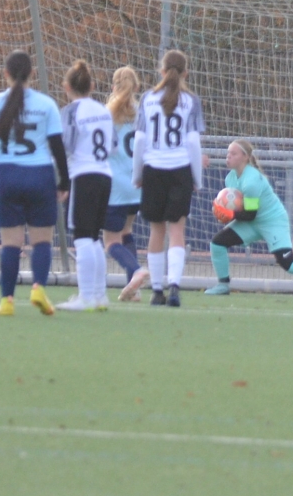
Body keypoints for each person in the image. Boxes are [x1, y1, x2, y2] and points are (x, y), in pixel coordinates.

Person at [0, 50, 67, 317]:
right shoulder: (46, 104)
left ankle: (7, 301)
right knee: (42, 241)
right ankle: (38, 288)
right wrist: (64, 181)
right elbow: (57, 147)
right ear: (32, 74)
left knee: (11, 243)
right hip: (40, 175)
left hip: (7, 175)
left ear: (6, 74)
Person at [206, 139, 293, 299]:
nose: (228, 156)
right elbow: (240, 209)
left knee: (288, 263)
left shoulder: (252, 181)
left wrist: (230, 215)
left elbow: (250, 214)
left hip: (272, 221)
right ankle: (223, 285)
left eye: (234, 153)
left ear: (245, 157)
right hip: (252, 222)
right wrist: (221, 210)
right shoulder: (230, 179)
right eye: (228, 153)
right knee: (217, 243)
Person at [133, 49, 203, 308]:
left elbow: (139, 141)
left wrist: (137, 174)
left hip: (153, 169)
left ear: (161, 71)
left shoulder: (147, 98)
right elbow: (193, 143)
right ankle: (174, 286)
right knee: (177, 230)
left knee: (156, 230)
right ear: (186, 73)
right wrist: (197, 178)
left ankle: (156, 290)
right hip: (180, 169)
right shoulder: (191, 101)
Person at [58, 60, 117, 311]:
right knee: (94, 238)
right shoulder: (103, 110)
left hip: (83, 175)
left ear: (67, 87)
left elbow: (64, 146)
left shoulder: (70, 112)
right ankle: (99, 296)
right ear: (92, 86)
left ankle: (85, 297)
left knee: (82, 238)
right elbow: (112, 145)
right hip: (104, 175)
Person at [105, 67, 148, 301]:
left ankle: (136, 271)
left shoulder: (107, 114)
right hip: (137, 183)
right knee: (126, 231)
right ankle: (134, 288)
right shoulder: (143, 113)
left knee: (110, 241)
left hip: (115, 185)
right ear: (137, 87)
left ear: (113, 86)